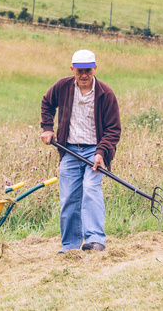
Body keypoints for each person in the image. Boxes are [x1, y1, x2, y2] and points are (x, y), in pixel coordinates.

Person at [40, 49, 121, 253]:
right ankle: (70, 246)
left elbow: (113, 129)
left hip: (95, 151)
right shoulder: (62, 86)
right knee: (68, 198)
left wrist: (101, 152)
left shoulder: (105, 93)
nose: (84, 75)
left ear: (95, 68)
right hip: (69, 151)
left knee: (91, 191)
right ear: (72, 69)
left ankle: (95, 240)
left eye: (88, 70)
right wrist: (47, 128)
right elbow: (47, 103)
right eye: (79, 71)